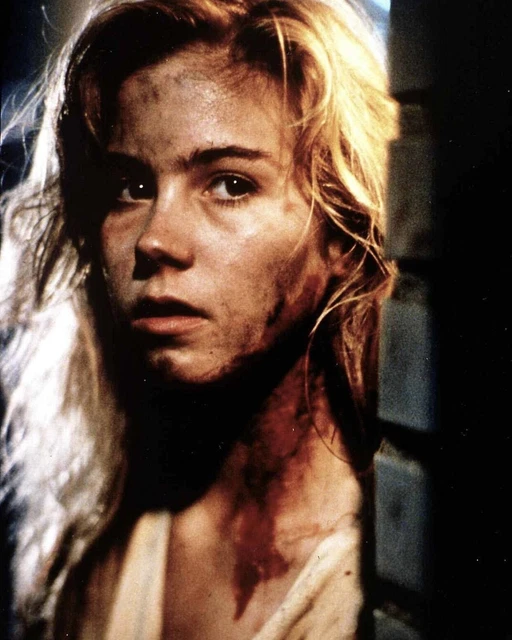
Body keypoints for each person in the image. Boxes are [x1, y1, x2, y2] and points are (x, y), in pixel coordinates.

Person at [0, 0, 396, 637]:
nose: (155, 239)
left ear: (343, 232)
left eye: (230, 184)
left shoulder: (394, 570)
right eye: (131, 187)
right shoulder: (91, 544)